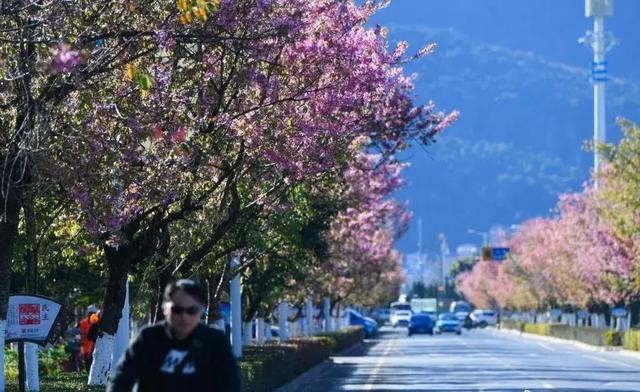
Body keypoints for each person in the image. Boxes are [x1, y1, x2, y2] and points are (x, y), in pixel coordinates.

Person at [108, 279, 241, 392]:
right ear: (165, 309)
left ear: (201, 310)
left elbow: (230, 384)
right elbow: (121, 380)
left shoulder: (215, 341)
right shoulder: (148, 338)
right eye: (177, 310)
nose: (184, 317)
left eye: (191, 310)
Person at [78, 305, 99, 371]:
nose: (91, 314)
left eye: (93, 313)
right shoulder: (83, 323)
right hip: (86, 348)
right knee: (88, 365)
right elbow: (82, 335)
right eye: (90, 313)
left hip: (95, 348)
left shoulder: (98, 322)